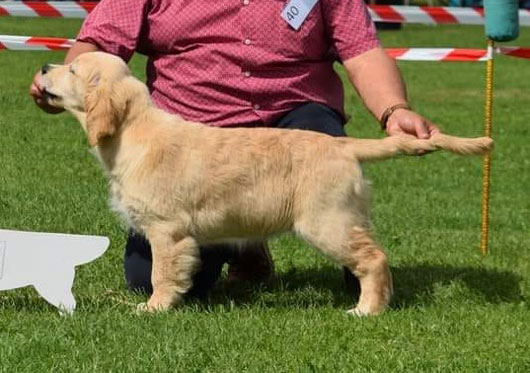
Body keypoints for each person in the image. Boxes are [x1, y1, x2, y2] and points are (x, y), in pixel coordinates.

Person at [30, 0, 439, 297]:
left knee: (326, 173)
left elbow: (363, 52)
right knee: (145, 280)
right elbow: (98, 44)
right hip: (191, 136)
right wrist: (61, 87)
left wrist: (394, 111)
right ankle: (245, 242)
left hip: (294, 116)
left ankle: (364, 277)